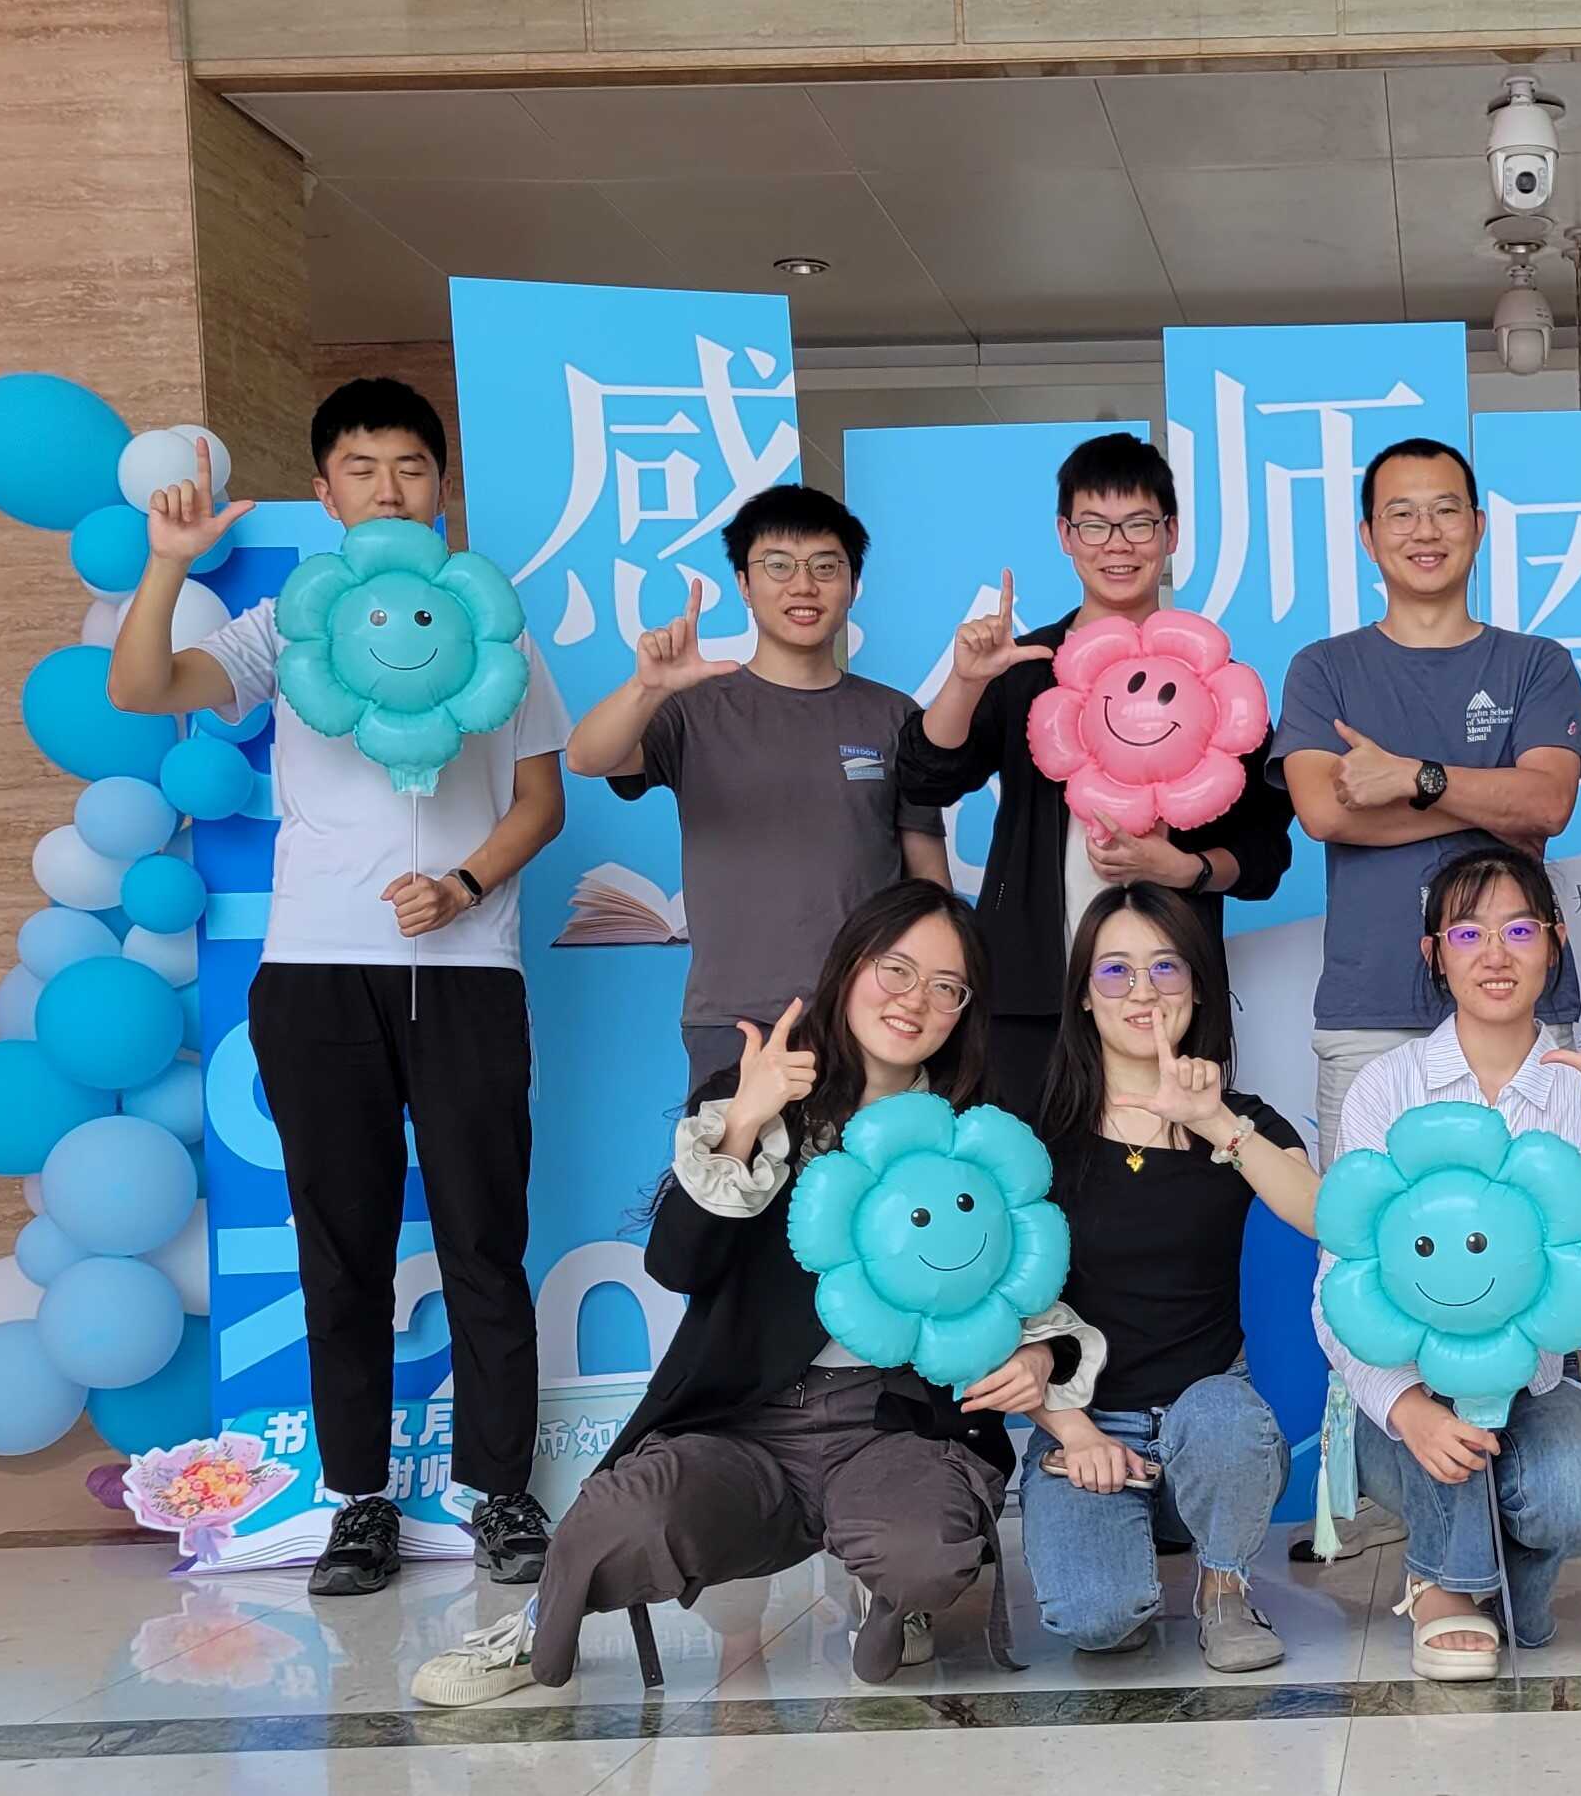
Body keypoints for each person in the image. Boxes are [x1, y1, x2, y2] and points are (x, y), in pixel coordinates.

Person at [407, 882, 1107, 1704]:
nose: (915, 999)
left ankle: (895, 1598)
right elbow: (677, 1263)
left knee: (921, 1549)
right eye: (896, 969)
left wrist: (1039, 1354)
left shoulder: (976, 1131)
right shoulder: (753, 1097)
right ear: (850, 966)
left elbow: (1022, 1278)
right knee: (618, 1519)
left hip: (897, 1425)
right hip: (743, 1424)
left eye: (946, 986)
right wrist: (746, 1120)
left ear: (965, 1010)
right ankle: (534, 1627)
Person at [106, 378, 568, 1599]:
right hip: (315, 972)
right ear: (325, 492)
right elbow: (141, 689)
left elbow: (540, 801)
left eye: (410, 466)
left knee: (483, 1238)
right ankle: (358, 1498)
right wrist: (168, 562)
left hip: (467, 971)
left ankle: (500, 1492)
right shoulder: (285, 628)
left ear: (441, 486)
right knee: (342, 1246)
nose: (389, 488)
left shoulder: (499, 630)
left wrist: (463, 885)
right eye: (362, 468)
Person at [1312, 848, 1581, 1681]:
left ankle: (1502, 1572)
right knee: (1443, 1408)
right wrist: (1406, 1408)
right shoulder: (1387, 1087)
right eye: (1467, 932)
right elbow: (1338, 1285)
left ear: (1555, 941)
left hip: (1533, 1388)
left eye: (1518, 929)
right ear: (1433, 953)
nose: (1494, 954)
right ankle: (1445, 1584)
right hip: (1408, 1387)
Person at [897, 433, 1291, 1117]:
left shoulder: (1214, 680)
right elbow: (924, 778)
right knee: (1024, 1163)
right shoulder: (1022, 665)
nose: (1117, 546)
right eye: (1094, 526)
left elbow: (1265, 851)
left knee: (1166, 1173)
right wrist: (965, 681)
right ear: (1065, 535)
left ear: (1170, 534)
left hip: (1168, 995)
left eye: (1138, 524)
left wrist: (1186, 869)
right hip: (1032, 992)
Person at [1017, 883, 1320, 1672]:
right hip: (1086, 1421)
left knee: (1223, 1419)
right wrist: (1069, 1429)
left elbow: (1322, 1214)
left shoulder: (1238, 1115)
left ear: (1197, 987)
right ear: (1084, 996)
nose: (1142, 989)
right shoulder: (1037, 1133)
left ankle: (1223, 1585)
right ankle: (1131, 1545)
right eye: (1115, 970)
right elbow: (998, 1306)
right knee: (1099, 1622)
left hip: (1209, 1416)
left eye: (1164, 966)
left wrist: (1213, 1121)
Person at [1274, 436, 1581, 1148]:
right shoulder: (1322, 668)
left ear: (1477, 526)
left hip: (1520, 1004)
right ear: (1368, 536)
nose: (1424, 531)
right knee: (1364, 1217)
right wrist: (1488, 807)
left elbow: (1547, 804)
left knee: (1543, 1211)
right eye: (1401, 513)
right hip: (1372, 1012)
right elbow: (1324, 812)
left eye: (1445, 510)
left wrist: (1411, 778)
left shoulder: (1536, 664)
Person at [564, 483, 948, 1091]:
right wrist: (647, 688)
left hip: (872, 1016)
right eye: (778, 566)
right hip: (733, 1019)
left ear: (854, 585)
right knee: (733, 1158)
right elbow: (587, 757)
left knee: (877, 1159)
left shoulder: (895, 716)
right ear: (744, 584)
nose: (804, 586)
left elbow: (929, 882)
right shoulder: (693, 708)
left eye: (826, 567)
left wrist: (930, 993)